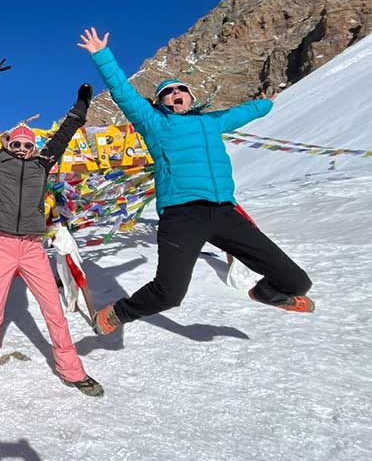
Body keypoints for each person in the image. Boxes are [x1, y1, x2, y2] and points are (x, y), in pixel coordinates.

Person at [75, 28, 314, 337]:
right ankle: (119, 312)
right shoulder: (154, 123)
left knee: (296, 282)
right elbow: (123, 92)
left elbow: (240, 114)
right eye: (168, 92)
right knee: (169, 294)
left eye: (181, 90)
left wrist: (265, 105)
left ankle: (265, 293)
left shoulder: (210, 122)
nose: (176, 94)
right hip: (182, 214)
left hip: (226, 212)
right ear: (161, 102)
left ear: (190, 97)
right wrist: (101, 55)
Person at [0, 83, 105, 401]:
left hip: (32, 247)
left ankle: (72, 371)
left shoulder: (43, 164)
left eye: (28, 145)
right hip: (0, 245)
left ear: (35, 148)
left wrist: (82, 102)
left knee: (54, 310)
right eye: (17, 144)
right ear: (9, 144)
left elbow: (67, 130)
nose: (22, 149)